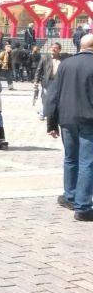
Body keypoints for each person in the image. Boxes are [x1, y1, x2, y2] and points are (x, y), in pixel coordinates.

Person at [45, 34, 93, 221]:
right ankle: (83, 206)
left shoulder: (65, 64)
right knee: (87, 162)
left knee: (71, 159)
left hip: (67, 119)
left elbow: (53, 94)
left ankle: (70, 196)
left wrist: (51, 122)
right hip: (89, 119)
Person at [34, 42, 66, 120]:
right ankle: (42, 113)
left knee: (58, 98)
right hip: (48, 81)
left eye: (55, 48)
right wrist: (36, 81)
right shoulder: (45, 58)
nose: (53, 49)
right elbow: (39, 70)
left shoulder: (63, 59)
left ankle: (55, 113)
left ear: (59, 50)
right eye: (52, 47)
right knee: (45, 98)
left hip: (59, 82)